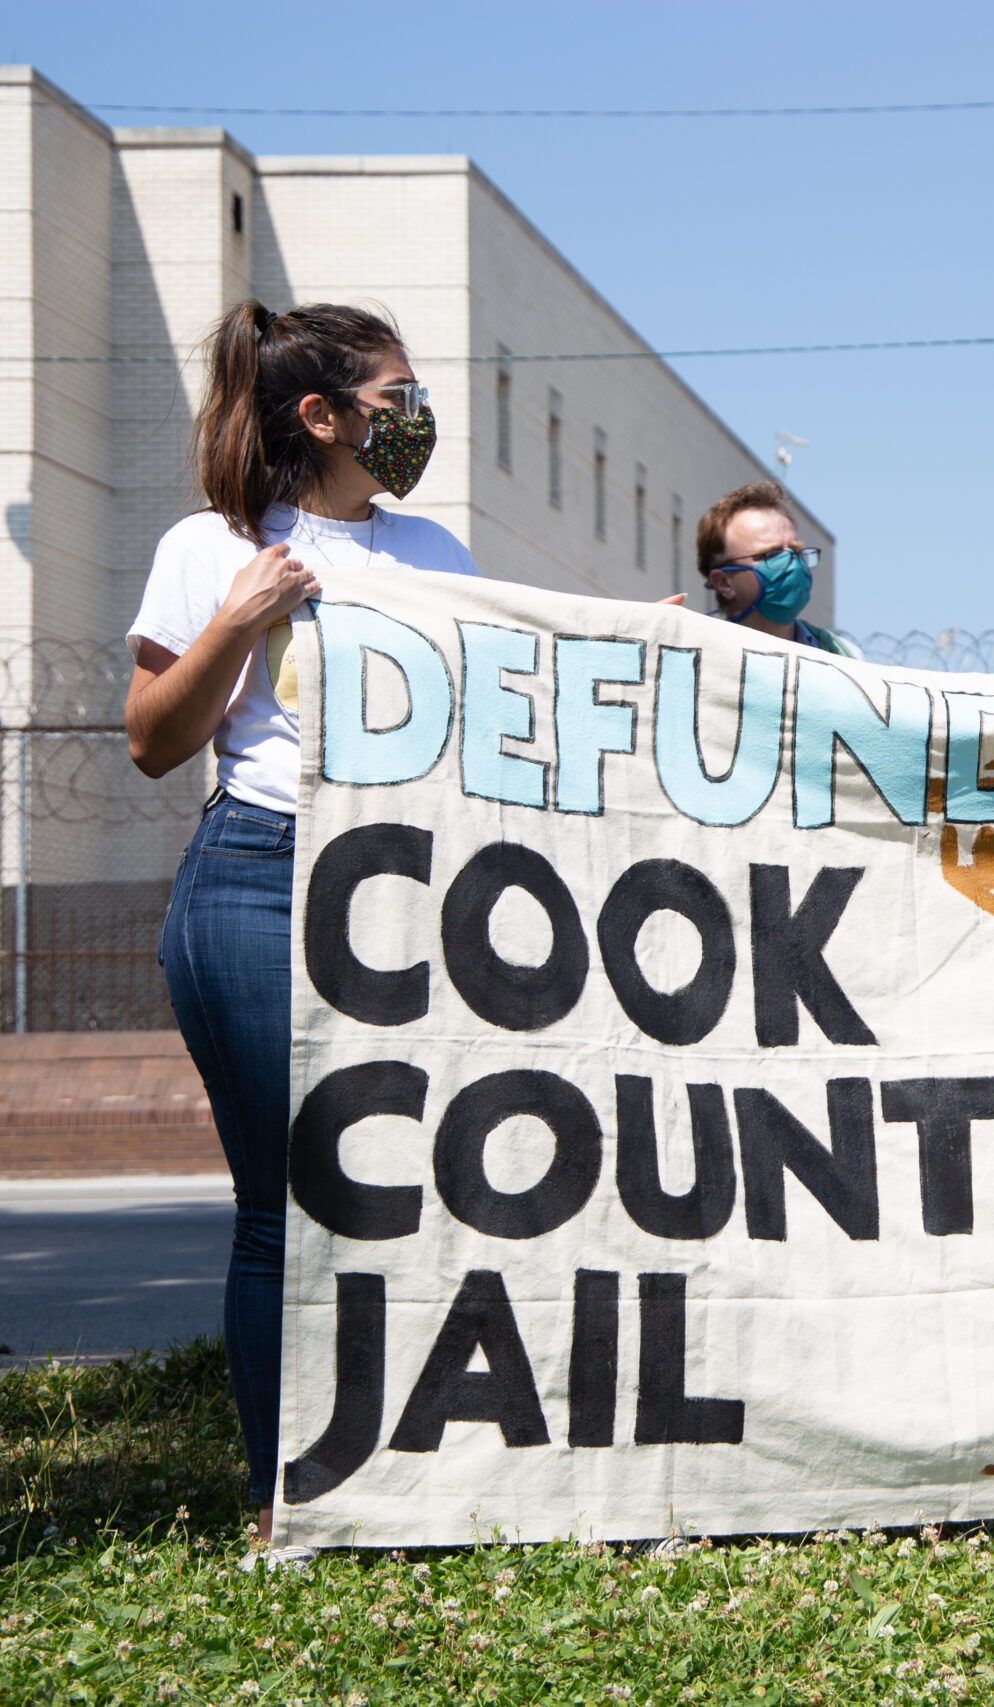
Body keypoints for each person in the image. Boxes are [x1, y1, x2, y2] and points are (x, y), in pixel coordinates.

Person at [125, 300, 482, 1559]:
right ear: (322, 416)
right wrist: (239, 615)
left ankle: (418, 1458)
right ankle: (288, 1487)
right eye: (395, 398)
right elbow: (154, 742)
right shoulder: (208, 545)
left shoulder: (436, 548)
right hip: (260, 877)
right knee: (292, 1196)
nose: (418, 419)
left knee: (425, 1191)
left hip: (417, 891)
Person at [694, 480, 863, 657]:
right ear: (724, 583)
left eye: (796, 551)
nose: (793, 564)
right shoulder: (699, 655)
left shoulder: (843, 655)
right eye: (772, 554)